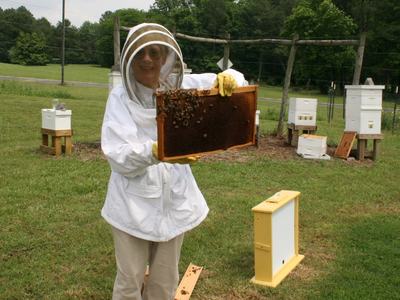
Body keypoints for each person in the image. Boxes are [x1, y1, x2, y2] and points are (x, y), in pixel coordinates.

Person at [101, 23, 248, 300]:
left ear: (166, 58)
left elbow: (234, 79)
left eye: (154, 53)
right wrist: (157, 150)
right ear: (129, 58)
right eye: (141, 53)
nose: (147, 58)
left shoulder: (181, 86)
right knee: (130, 280)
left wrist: (228, 79)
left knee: (165, 281)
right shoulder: (120, 98)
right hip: (132, 205)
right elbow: (118, 155)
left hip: (174, 200)